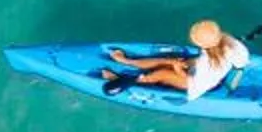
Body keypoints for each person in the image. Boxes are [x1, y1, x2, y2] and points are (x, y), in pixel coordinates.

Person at [105, 20, 248, 99]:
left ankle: (124, 80)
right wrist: (180, 64)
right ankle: (128, 61)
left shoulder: (206, 63)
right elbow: (241, 62)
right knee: (170, 61)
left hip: (196, 84)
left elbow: (198, 85)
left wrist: (177, 69)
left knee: (162, 73)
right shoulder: (233, 43)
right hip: (204, 71)